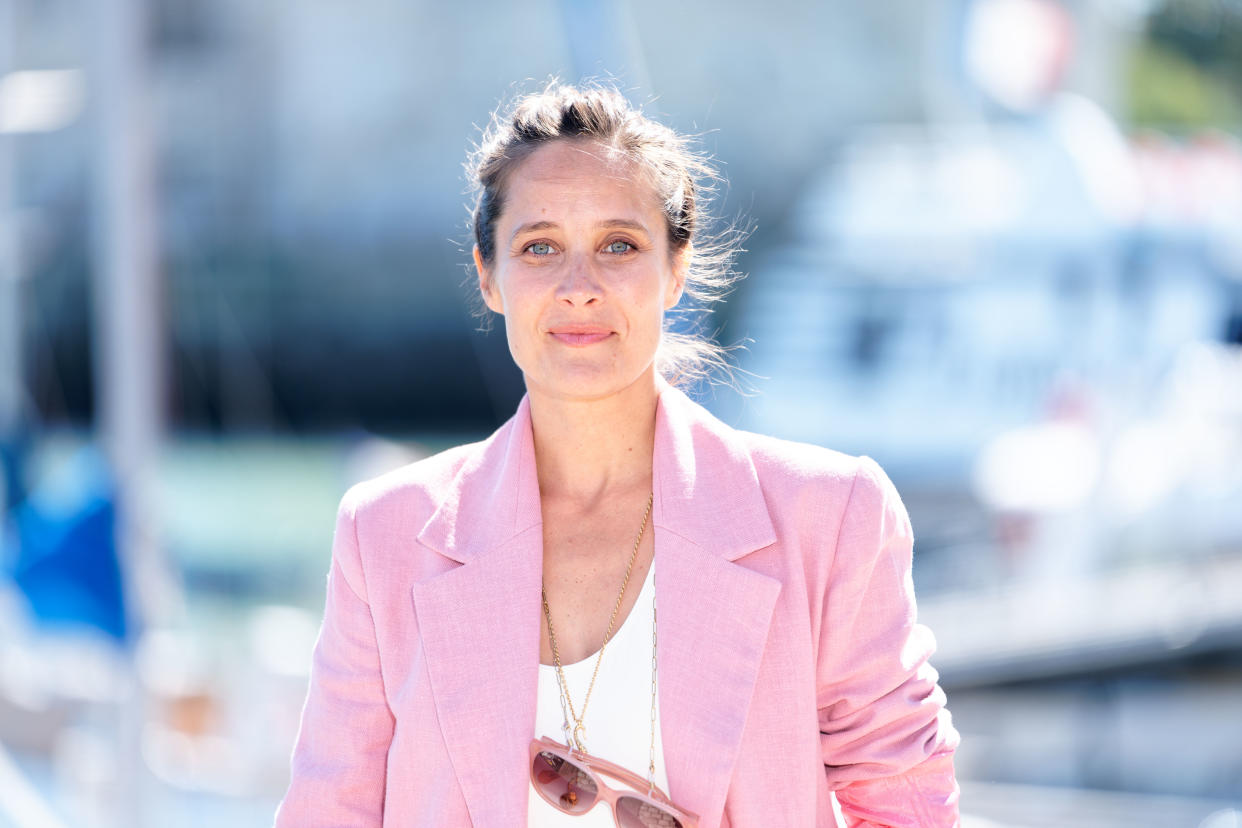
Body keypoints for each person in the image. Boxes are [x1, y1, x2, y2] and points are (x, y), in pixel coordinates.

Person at [275, 82, 960, 828]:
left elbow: (907, 807)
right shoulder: (385, 535)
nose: (579, 288)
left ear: (674, 270)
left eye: (618, 246)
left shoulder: (830, 515)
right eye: (540, 247)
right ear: (487, 275)